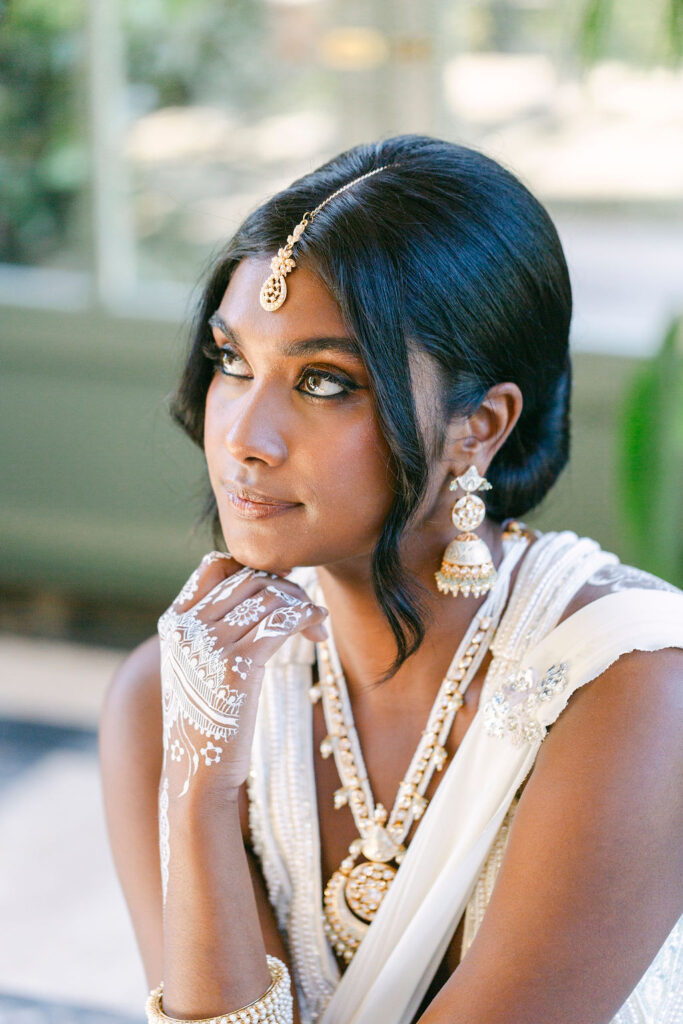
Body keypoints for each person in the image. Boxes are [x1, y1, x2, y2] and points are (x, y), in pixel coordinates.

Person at [99, 134, 683, 1024]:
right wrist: (200, 792)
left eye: (324, 381)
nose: (245, 436)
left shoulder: (633, 688)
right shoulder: (171, 700)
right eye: (231, 362)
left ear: (478, 427)